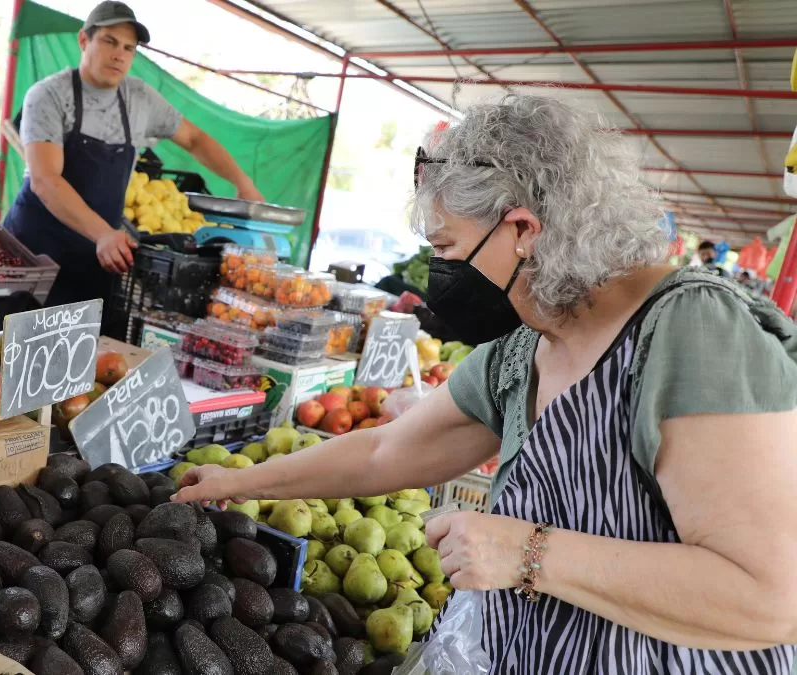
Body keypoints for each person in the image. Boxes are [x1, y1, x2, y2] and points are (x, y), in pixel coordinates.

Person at [174, 95, 797, 673]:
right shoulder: (527, 347)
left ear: (524, 230)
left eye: (446, 247)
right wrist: (238, 480)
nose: (438, 271)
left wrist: (529, 553)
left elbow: (770, 596)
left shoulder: (691, 333)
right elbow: (387, 449)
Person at [3, 1, 263, 310]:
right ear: (84, 40)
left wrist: (242, 182)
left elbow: (194, 138)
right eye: (109, 41)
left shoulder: (140, 99)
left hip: (97, 261)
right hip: (34, 255)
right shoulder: (49, 95)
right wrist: (103, 234)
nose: (119, 54)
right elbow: (45, 181)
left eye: (129, 47)